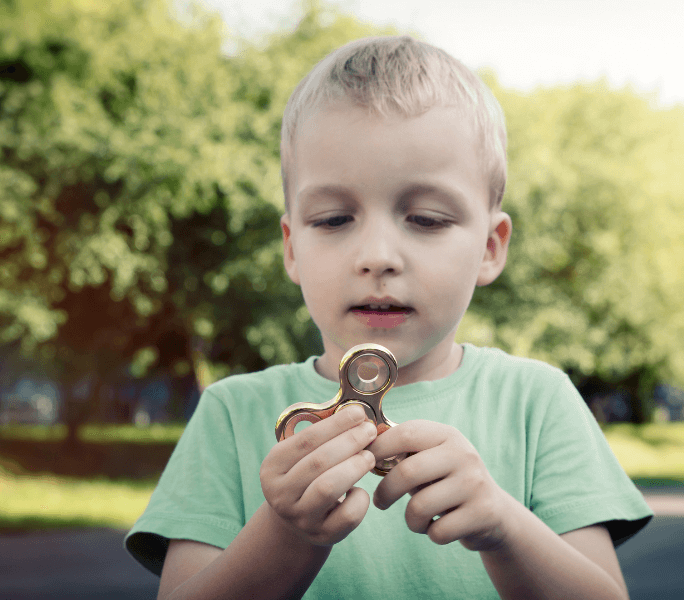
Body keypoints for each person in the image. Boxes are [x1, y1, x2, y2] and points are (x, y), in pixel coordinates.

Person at [125, 36, 653, 599]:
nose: (377, 255)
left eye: (425, 219)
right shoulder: (231, 414)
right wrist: (287, 534)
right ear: (291, 248)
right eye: (332, 219)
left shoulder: (537, 402)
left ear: (491, 248)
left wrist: (503, 526)